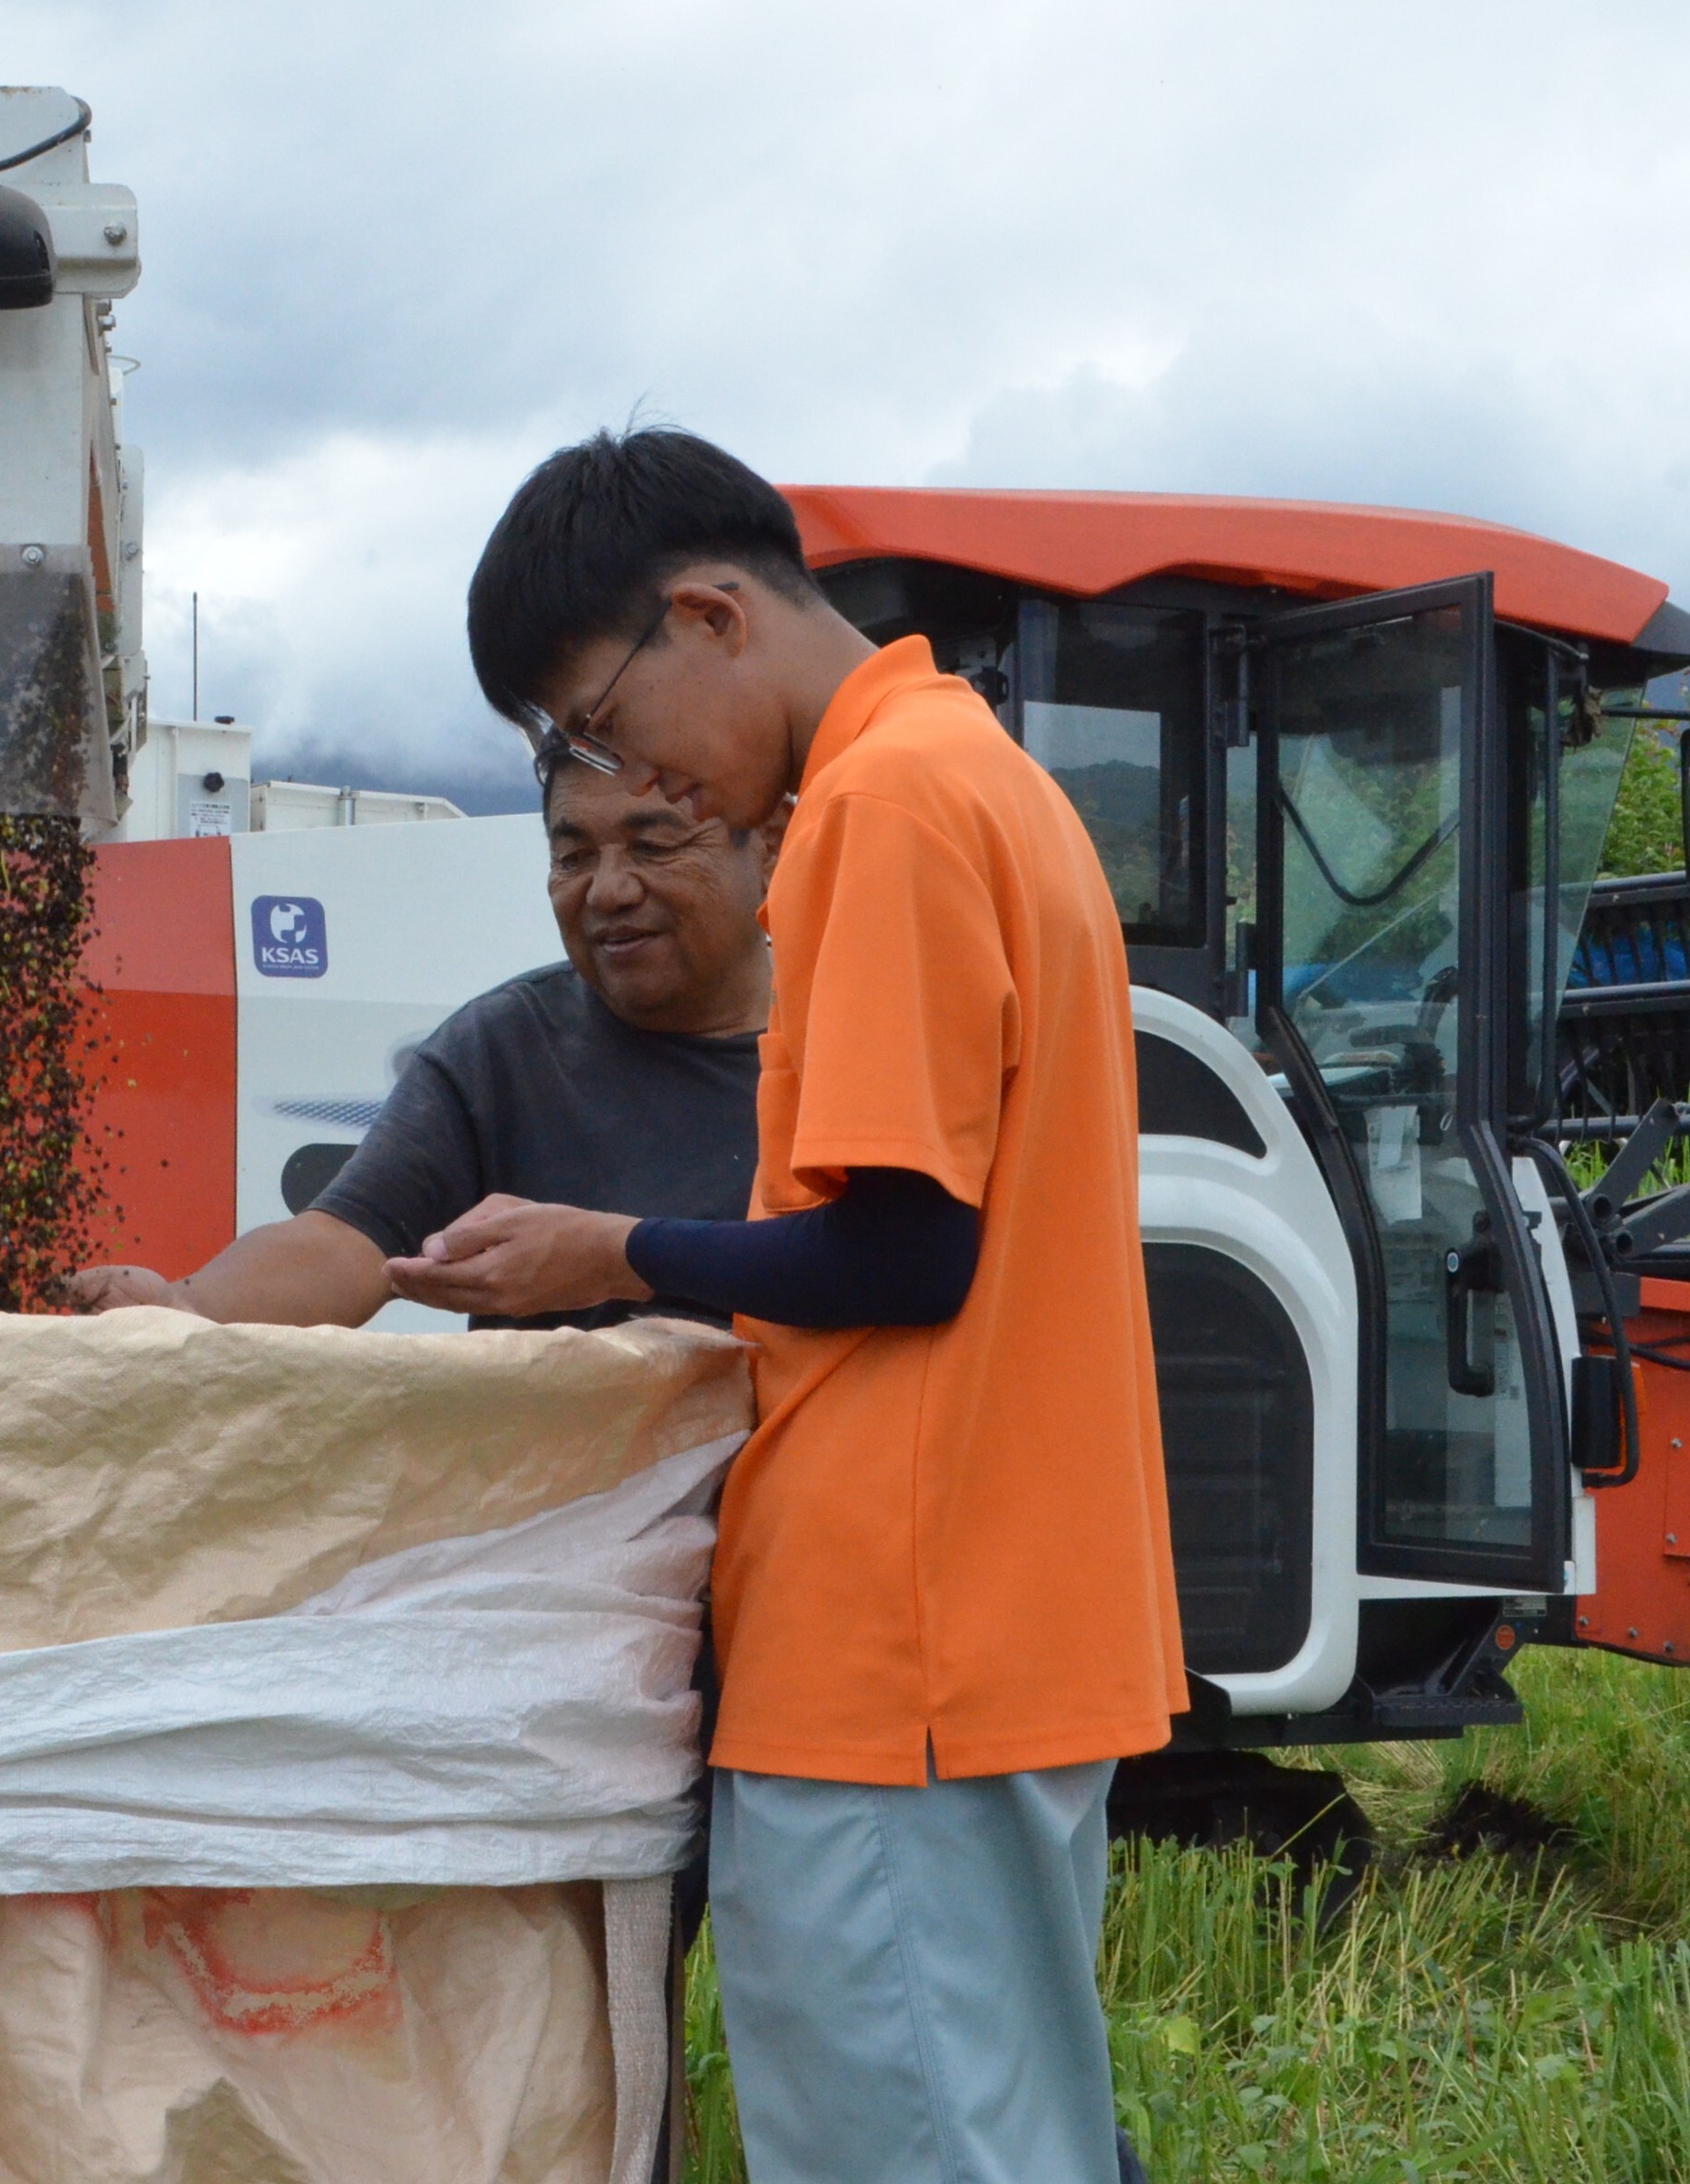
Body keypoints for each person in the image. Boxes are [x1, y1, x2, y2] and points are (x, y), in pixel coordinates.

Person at [411, 428, 1184, 2184]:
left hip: (895, 1643)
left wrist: (617, 1252)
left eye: (604, 727)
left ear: (709, 613)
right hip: (992, 1624)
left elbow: (904, 1254)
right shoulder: (973, 771)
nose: (627, 779)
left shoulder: (882, 807)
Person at [58, 757, 769, 1328]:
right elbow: (348, 1241)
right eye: (574, 856)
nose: (609, 889)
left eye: (655, 845)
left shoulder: (849, 1043)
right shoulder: (506, 1048)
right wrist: (188, 1310)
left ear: (768, 843)